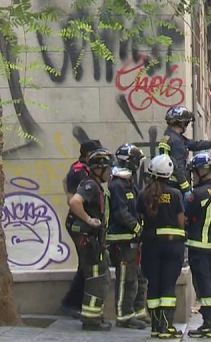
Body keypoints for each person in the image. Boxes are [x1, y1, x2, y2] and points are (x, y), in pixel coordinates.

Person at [138, 154, 185, 339]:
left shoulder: (143, 194)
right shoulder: (175, 194)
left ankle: (156, 327)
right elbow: (181, 220)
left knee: (154, 285)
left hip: (150, 245)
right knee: (168, 286)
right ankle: (166, 327)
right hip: (173, 246)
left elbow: (140, 218)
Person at [65, 148, 114, 330]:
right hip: (89, 241)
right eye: (107, 169)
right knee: (95, 278)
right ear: (98, 168)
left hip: (95, 240)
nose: (109, 173)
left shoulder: (95, 185)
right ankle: (91, 320)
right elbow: (74, 202)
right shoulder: (90, 185)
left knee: (101, 276)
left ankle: (95, 316)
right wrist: (88, 220)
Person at [184, 153, 211, 338]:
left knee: (204, 286)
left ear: (202, 171)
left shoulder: (197, 195)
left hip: (199, 247)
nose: (193, 176)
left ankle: (208, 323)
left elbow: (186, 218)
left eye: (194, 172)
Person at [60, 139, 103, 318]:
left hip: (79, 223)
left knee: (85, 264)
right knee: (86, 265)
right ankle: (71, 303)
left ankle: (73, 303)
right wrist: (88, 219)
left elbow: (65, 185)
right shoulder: (81, 171)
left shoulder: (77, 167)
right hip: (80, 224)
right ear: (88, 155)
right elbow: (74, 201)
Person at [107, 144, 147, 329]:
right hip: (122, 240)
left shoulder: (128, 183)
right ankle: (124, 316)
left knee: (138, 277)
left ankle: (138, 311)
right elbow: (120, 213)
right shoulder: (117, 185)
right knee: (126, 279)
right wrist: (138, 228)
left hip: (132, 240)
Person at [157, 106, 211, 192]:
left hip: (170, 184)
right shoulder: (175, 141)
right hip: (176, 185)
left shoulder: (172, 137)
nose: (186, 126)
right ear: (180, 123)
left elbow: (195, 145)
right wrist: (186, 187)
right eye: (186, 123)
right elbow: (177, 167)